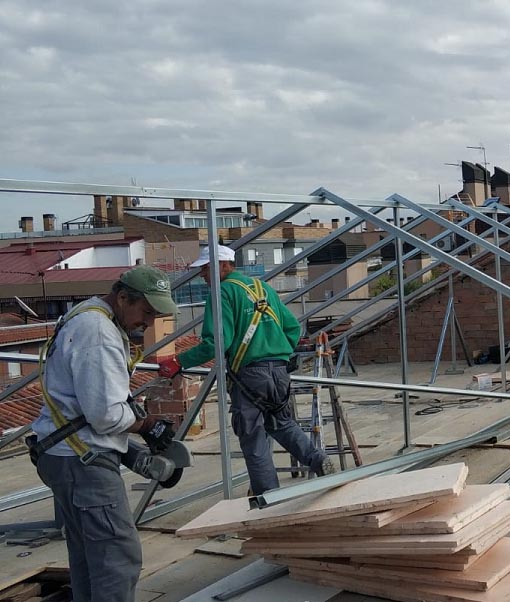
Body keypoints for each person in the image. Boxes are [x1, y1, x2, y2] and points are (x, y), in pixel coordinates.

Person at [30, 265, 179, 602]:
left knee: (88, 557)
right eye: (146, 312)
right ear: (123, 297)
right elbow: (105, 415)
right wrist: (147, 425)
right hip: (83, 462)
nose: (149, 322)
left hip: (64, 454)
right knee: (117, 559)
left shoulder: (87, 314)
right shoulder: (99, 333)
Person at [158, 245, 334, 495]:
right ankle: (317, 460)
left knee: (253, 439)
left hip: (250, 376)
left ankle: (269, 497)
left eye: (206, 269)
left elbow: (217, 343)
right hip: (279, 371)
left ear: (224, 265)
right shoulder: (262, 288)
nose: (203, 276)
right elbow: (293, 327)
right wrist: (280, 353)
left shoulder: (223, 292)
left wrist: (178, 362)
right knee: (282, 424)